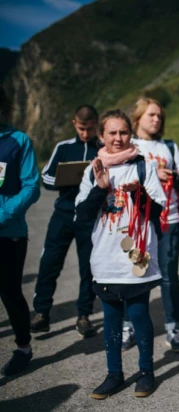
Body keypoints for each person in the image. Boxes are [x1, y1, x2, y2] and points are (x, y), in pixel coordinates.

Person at [75, 109, 166, 399]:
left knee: (139, 314)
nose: (118, 138)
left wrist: (140, 193)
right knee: (111, 319)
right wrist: (100, 190)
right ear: (101, 136)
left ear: (131, 134)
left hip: (135, 257)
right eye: (112, 133)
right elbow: (82, 214)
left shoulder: (143, 166)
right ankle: (114, 374)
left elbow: (159, 210)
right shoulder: (94, 169)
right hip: (105, 258)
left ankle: (146, 372)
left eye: (123, 132)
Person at [125, 97, 179, 352]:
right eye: (151, 115)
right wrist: (151, 172)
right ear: (137, 118)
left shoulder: (169, 146)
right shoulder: (129, 145)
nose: (156, 119)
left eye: (159, 116)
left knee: (169, 277)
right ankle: (128, 327)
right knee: (134, 275)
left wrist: (173, 176)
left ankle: (174, 330)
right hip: (138, 222)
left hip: (169, 220)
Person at [30, 105, 99, 338]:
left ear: (96, 125)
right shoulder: (64, 147)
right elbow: (46, 178)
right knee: (50, 261)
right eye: (81, 129)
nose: (85, 134)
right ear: (74, 124)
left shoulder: (102, 148)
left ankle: (84, 315)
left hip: (90, 217)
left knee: (88, 267)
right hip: (63, 214)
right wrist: (66, 179)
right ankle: (41, 313)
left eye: (90, 129)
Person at [0, 85, 41, 376]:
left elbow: (31, 187)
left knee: (10, 292)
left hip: (8, 232)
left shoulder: (17, 141)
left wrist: (2, 214)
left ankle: (24, 347)